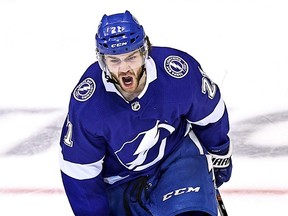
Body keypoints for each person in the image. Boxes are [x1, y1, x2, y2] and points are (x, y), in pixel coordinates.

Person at [59, 10, 232, 216]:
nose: (124, 69)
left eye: (131, 57)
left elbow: (210, 114)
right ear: (102, 61)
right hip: (120, 181)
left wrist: (220, 152)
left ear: (145, 51)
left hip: (177, 160)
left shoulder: (177, 71)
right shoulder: (88, 103)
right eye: (114, 60)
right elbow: (80, 172)